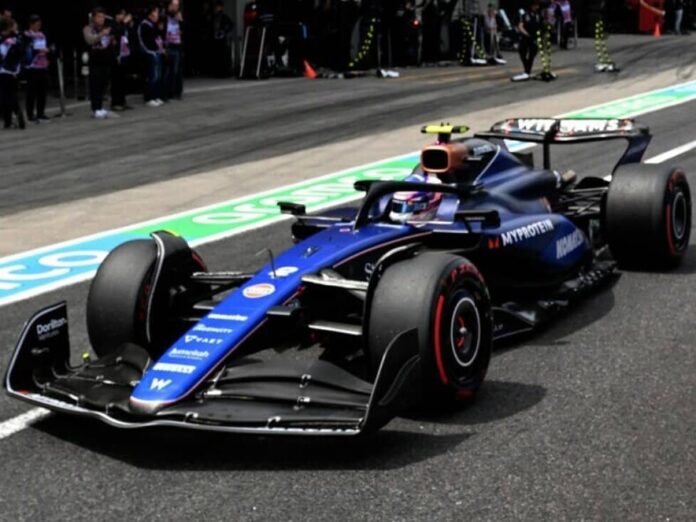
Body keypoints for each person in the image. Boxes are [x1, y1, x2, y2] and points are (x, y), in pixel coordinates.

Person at [84, 7, 115, 119]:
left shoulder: (106, 28)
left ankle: (100, 107)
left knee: (103, 84)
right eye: (99, 17)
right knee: (95, 85)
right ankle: (95, 108)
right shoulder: (88, 28)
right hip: (95, 61)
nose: (101, 19)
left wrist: (111, 38)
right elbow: (90, 40)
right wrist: (102, 34)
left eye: (103, 17)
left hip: (105, 59)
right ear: (93, 18)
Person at [24, 15, 50, 123]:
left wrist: (46, 54)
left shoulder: (42, 35)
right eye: (36, 24)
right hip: (32, 66)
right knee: (31, 92)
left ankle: (41, 113)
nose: (38, 26)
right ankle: (30, 114)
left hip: (42, 65)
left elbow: (45, 47)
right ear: (31, 24)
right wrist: (38, 49)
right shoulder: (27, 35)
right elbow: (27, 48)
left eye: (39, 24)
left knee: (42, 91)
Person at [0, 17, 24, 129]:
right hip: (13, 71)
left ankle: (8, 120)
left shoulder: (6, 40)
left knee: (4, 95)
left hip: (3, 70)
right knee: (11, 93)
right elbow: (21, 52)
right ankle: (16, 111)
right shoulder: (15, 39)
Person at [138, 4, 165, 107]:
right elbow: (142, 40)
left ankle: (156, 96)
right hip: (150, 53)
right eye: (156, 12)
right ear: (151, 13)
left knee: (158, 76)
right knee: (152, 76)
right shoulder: (144, 24)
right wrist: (149, 51)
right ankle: (149, 98)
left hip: (157, 52)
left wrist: (161, 49)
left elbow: (158, 39)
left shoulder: (154, 25)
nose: (157, 14)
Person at [512, 0, 542, 82]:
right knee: (522, 53)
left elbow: (538, 26)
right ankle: (527, 69)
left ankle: (527, 70)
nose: (537, 7)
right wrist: (526, 34)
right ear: (532, 6)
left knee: (532, 54)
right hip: (525, 37)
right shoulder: (525, 15)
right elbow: (520, 26)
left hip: (533, 38)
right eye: (536, 6)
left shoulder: (537, 15)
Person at [111, 9, 133, 111]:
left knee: (123, 80)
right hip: (116, 55)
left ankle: (122, 101)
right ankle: (115, 102)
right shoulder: (113, 25)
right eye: (122, 14)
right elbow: (117, 33)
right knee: (116, 80)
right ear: (117, 15)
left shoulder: (123, 25)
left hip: (124, 54)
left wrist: (128, 25)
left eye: (125, 15)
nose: (124, 16)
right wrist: (124, 23)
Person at [164, 0, 184, 100]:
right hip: (168, 46)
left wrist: (181, 21)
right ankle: (168, 92)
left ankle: (177, 92)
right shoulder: (165, 17)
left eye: (177, 5)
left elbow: (183, 31)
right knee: (168, 71)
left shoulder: (178, 17)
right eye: (173, 5)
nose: (175, 7)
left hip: (177, 46)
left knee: (177, 71)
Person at [211, 0, 233, 77]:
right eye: (216, 7)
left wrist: (224, 31)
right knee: (217, 55)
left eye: (218, 7)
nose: (217, 8)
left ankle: (224, 72)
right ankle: (218, 72)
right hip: (216, 38)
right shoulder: (214, 17)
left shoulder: (224, 17)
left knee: (223, 55)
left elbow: (231, 24)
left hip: (222, 38)